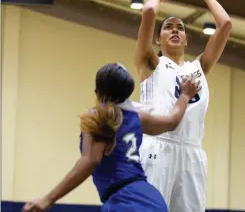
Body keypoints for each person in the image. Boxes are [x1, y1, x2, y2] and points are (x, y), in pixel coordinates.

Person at [22, 63, 200, 212]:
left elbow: (91, 160)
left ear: (97, 90)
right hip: (151, 198)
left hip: (125, 201)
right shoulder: (138, 116)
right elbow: (171, 121)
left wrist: (47, 199)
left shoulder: (96, 115)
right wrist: (184, 95)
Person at [134, 0, 232, 212]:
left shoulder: (198, 68)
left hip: (192, 154)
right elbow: (149, 13)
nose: (175, 30)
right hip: (157, 148)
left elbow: (225, 24)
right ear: (159, 37)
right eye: (168, 28)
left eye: (180, 27)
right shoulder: (150, 64)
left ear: (187, 39)